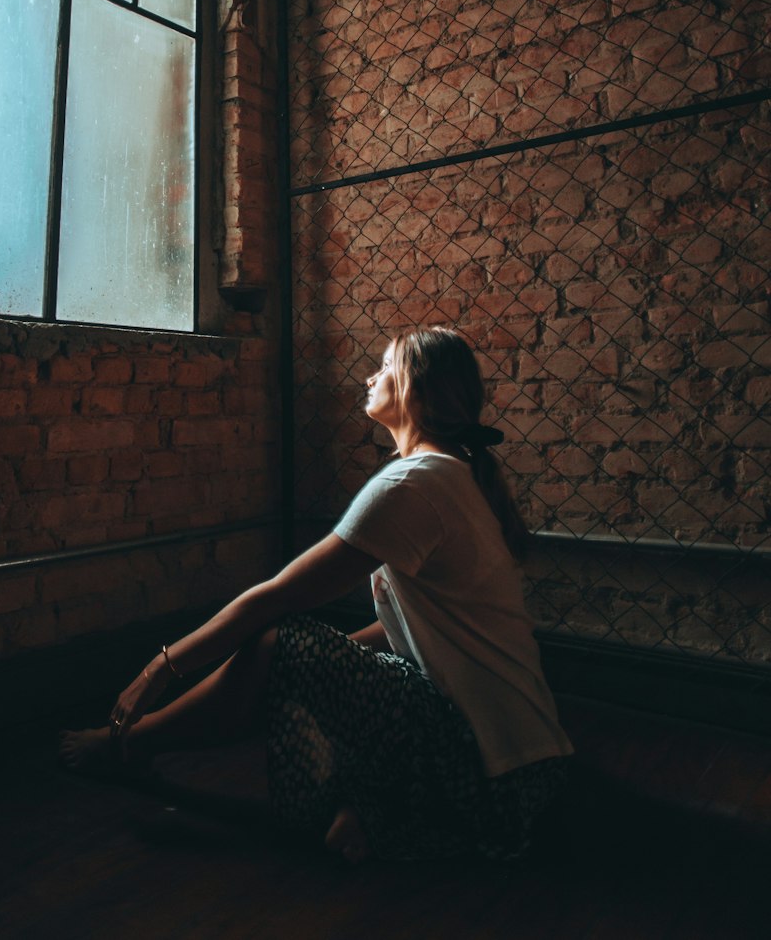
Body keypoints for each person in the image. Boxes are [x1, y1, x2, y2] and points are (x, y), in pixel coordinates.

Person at [60, 325, 573, 862]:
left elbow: (276, 597)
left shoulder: (415, 484)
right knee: (295, 660)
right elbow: (415, 629)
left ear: (417, 390)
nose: (371, 376)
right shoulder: (456, 474)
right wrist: (324, 670)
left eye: (386, 366)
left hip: (491, 776)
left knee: (279, 645)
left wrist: (158, 670)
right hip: (531, 774)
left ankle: (131, 743)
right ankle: (371, 814)